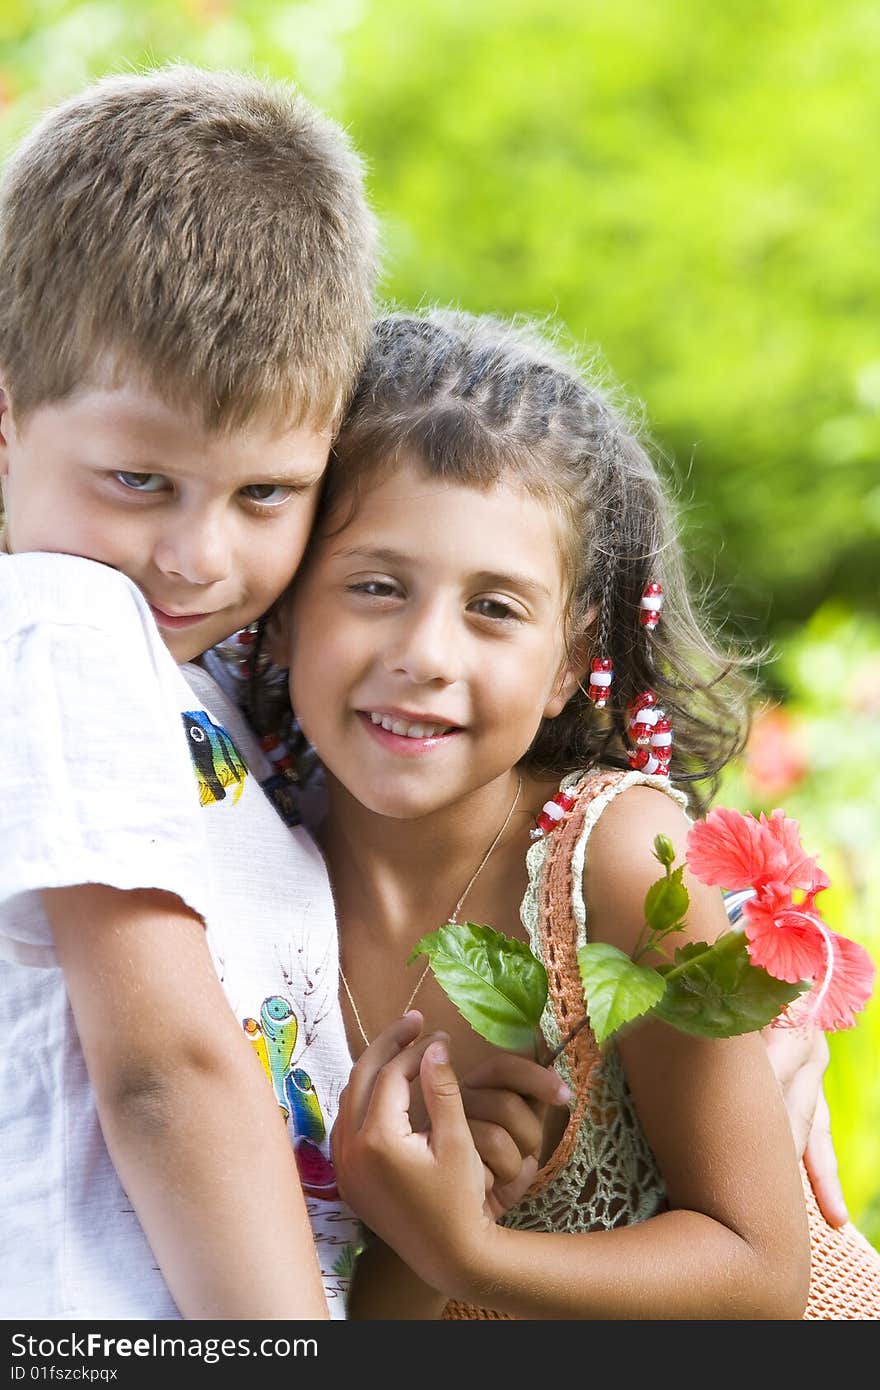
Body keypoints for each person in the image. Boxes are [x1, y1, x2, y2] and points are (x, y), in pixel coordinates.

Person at [265, 309, 879, 1318]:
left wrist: (471, 1252)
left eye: (494, 607)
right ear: (286, 604)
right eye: (376, 585)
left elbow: (761, 1274)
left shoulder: (620, 865)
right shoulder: (251, 869)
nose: (427, 652)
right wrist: (427, 1250)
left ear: (566, 660)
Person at [0, 64, 379, 1320]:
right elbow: (161, 1067)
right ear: (7, 417)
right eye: (138, 480)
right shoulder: (62, 622)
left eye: (264, 492)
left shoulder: (204, 671)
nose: (197, 555)